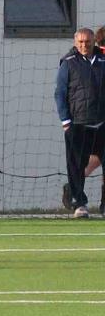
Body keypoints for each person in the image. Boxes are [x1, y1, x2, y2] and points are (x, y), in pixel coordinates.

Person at [54, 28, 105, 218]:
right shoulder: (68, 63)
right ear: (76, 43)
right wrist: (66, 121)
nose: (84, 45)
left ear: (94, 42)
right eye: (81, 42)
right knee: (76, 164)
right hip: (78, 123)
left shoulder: (102, 60)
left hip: (102, 122)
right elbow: (60, 93)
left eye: (88, 42)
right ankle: (79, 203)